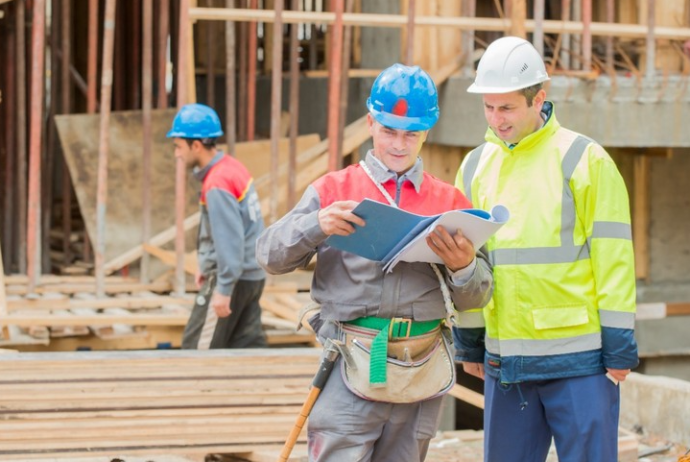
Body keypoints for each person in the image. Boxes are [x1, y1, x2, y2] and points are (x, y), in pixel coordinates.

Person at [256, 63, 493, 461]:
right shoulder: (334, 190)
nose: (399, 145)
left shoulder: (450, 202)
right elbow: (269, 256)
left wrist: (464, 267)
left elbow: (477, 297)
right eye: (389, 131)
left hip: (421, 366)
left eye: (411, 134)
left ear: (426, 132)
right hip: (350, 361)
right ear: (370, 123)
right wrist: (317, 224)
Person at [453, 36, 639, 462]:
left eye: (507, 108)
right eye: (488, 107)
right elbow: (468, 262)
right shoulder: (475, 166)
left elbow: (614, 260)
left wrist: (619, 346)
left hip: (580, 364)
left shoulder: (584, 160)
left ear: (539, 98)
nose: (496, 120)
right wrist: (470, 338)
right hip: (506, 363)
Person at [167, 103, 267, 349]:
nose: (177, 154)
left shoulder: (217, 182)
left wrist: (223, 287)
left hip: (234, 278)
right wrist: (207, 262)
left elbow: (229, 240)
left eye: (178, 146)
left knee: (197, 350)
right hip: (252, 275)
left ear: (196, 145)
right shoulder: (233, 168)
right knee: (246, 349)